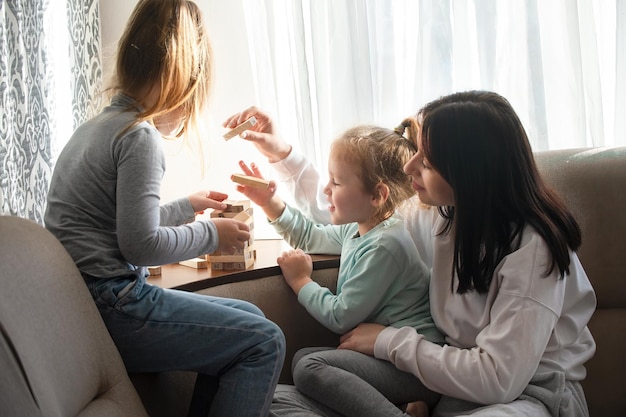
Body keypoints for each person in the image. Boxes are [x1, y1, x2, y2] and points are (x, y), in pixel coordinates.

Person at [224, 91, 596, 416]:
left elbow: (497, 380)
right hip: (446, 392)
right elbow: (349, 218)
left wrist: (388, 341)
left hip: (525, 399)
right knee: (269, 401)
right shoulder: (440, 215)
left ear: (469, 174)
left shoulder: (535, 251)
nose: (408, 166)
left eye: (427, 162)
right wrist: (281, 156)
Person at [44, 1, 285, 416]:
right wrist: (214, 234)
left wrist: (185, 207)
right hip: (114, 303)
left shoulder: (96, 127)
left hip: (87, 297)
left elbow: (119, 226)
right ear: (181, 83)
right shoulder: (140, 137)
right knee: (265, 341)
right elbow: (140, 245)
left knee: (248, 315)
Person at [234, 122, 444, 416]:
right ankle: (407, 407)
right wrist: (269, 202)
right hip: (389, 360)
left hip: (416, 368)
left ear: (377, 195)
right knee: (305, 357)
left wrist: (301, 281)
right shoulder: (360, 230)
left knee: (309, 366)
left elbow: (340, 315)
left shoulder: (385, 246)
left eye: (337, 182)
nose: (326, 189)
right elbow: (309, 236)